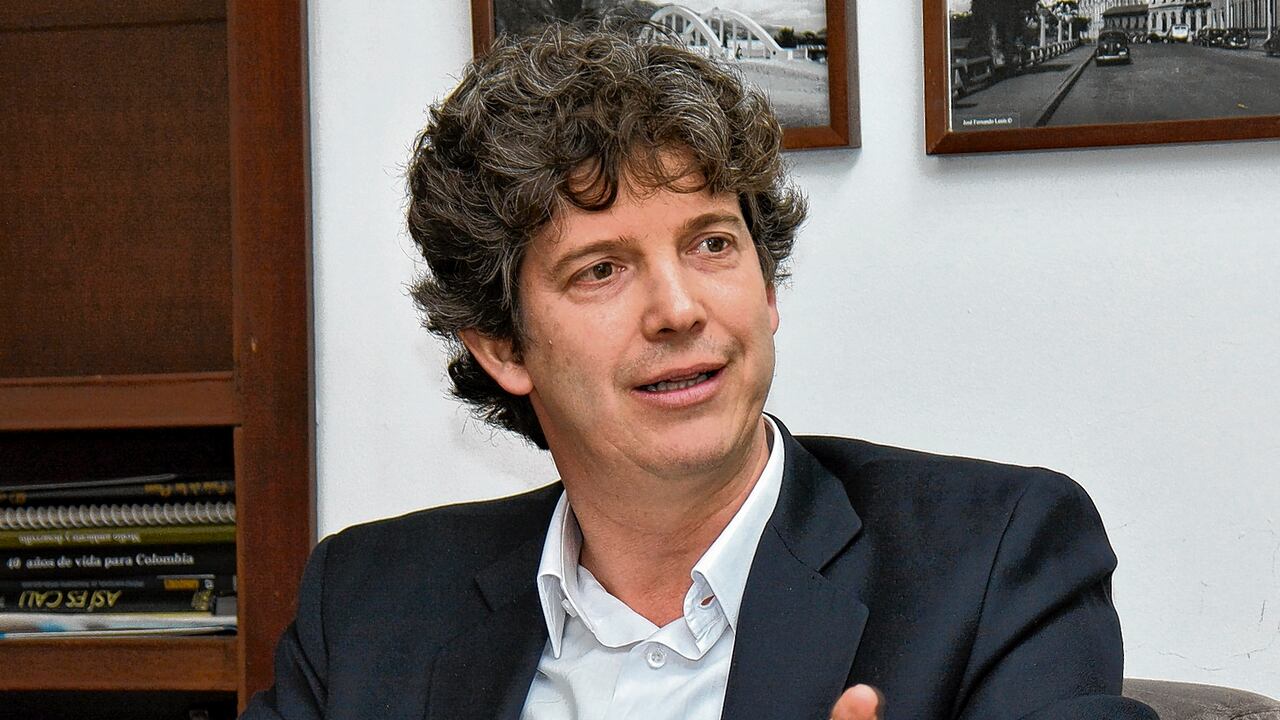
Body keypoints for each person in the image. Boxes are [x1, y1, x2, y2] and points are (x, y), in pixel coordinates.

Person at [242, 20, 1155, 720]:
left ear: (768, 288)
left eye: (711, 244)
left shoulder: (996, 560)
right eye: (601, 269)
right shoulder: (367, 606)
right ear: (502, 347)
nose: (678, 309)